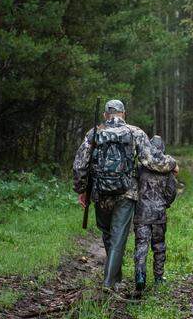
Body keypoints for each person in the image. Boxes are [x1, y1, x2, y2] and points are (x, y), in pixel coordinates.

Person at [73, 99, 178, 290]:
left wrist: (82, 190)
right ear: (124, 114)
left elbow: (80, 164)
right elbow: (151, 160)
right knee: (118, 236)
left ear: (106, 114)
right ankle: (110, 281)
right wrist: (172, 163)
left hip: (100, 191)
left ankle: (114, 278)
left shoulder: (94, 133)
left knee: (107, 234)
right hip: (126, 192)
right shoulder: (135, 132)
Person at [133, 135, 177, 293]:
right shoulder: (167, 169)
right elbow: (172, 191)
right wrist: (165, 203)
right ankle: (158, 277)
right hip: (159, 214)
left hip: (142, 214)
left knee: (141, 246)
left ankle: (140, 277)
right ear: (163, 150)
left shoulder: (140, 167)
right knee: (159, 247)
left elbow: (133, 187)